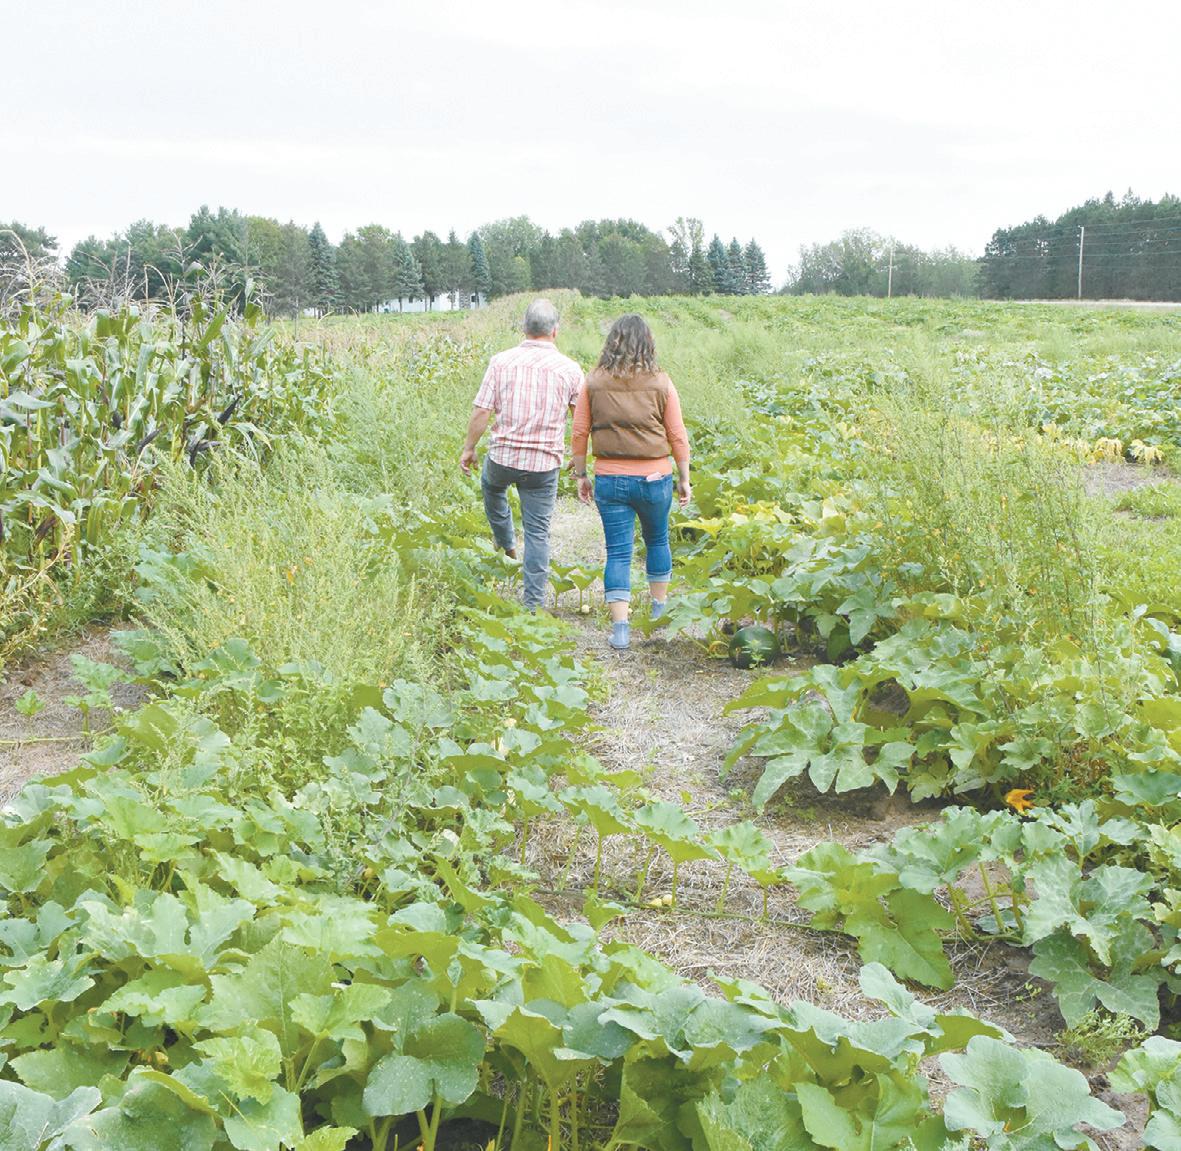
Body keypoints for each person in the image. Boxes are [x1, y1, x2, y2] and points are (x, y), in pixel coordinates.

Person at [572, 314, 691, 650]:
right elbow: (677, 434)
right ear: (648, 343)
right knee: (657, 540)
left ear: (612, 343)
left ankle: (621, 630)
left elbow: (579, 432)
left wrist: (581, 474)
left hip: (610, 478)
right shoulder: (661, 382)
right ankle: (658, 614)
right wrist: (684, 477)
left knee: (618, 552)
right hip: (655, 477)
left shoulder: (593, 382)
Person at [460, 298, 584, 611]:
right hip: (543, 465)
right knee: (538, 532)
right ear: (555, 331)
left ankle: (506, 543)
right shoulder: (570, 369)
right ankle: (533, 606)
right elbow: (581, 420)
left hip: (503, 458)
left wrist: (469, 448)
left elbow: (482, 410)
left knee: (492, 487)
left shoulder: (500, 362)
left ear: (523, 328)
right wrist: (578, 455)